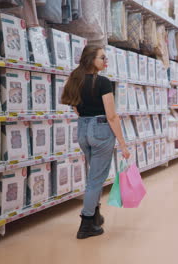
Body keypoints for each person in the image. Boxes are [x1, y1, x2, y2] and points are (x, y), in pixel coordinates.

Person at [62, 45, 130, 239]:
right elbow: (112, 116)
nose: (105, 61)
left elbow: (76, 109)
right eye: (102, 58)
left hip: (83, 129)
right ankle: (86, 224)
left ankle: (95, 216)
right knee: (95, 180)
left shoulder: (75, 80)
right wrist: (123, 145)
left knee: (94, 175)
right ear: (91, 59)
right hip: (101, 130)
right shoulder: (103, 82)